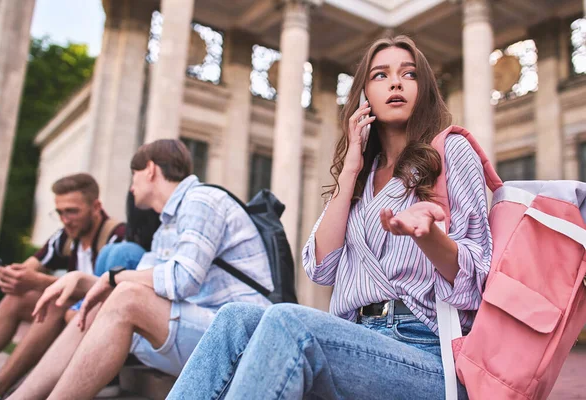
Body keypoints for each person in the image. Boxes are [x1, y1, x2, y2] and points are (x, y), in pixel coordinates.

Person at [165, 35, 492, 400]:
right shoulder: (362, 178)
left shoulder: (451, 152)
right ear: (364, 95)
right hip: (357, 338)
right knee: (234, 320)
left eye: (409, 74)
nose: (396, 82)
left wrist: (428, 237)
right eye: (381, 75)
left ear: (425, 89)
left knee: (288, 322)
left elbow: (479, 278)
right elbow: (321, 268)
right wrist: (351, 166)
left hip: (425, 351)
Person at [8, 139, 273, 400]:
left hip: (241, 338)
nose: (131, 187)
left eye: (133, 176)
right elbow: (137, 281)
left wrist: (113, 278)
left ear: (149, 169)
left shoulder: (202, 199)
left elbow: (182, 281)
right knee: (104, 303)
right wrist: (80, 281)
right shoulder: (167, 224)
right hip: (208, 329)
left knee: (126, 297)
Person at [0, 174, 125, 400]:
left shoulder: (118, 238)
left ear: (96, 207)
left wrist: (40, 282)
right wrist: (14, 276)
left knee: (56, 302)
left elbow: (109, 292)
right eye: (59, 212)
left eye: (72, 211)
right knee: (18, 299)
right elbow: (30, 268)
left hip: (102, 333)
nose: (65, 219)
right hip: (71, 322)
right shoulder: (67, 236)